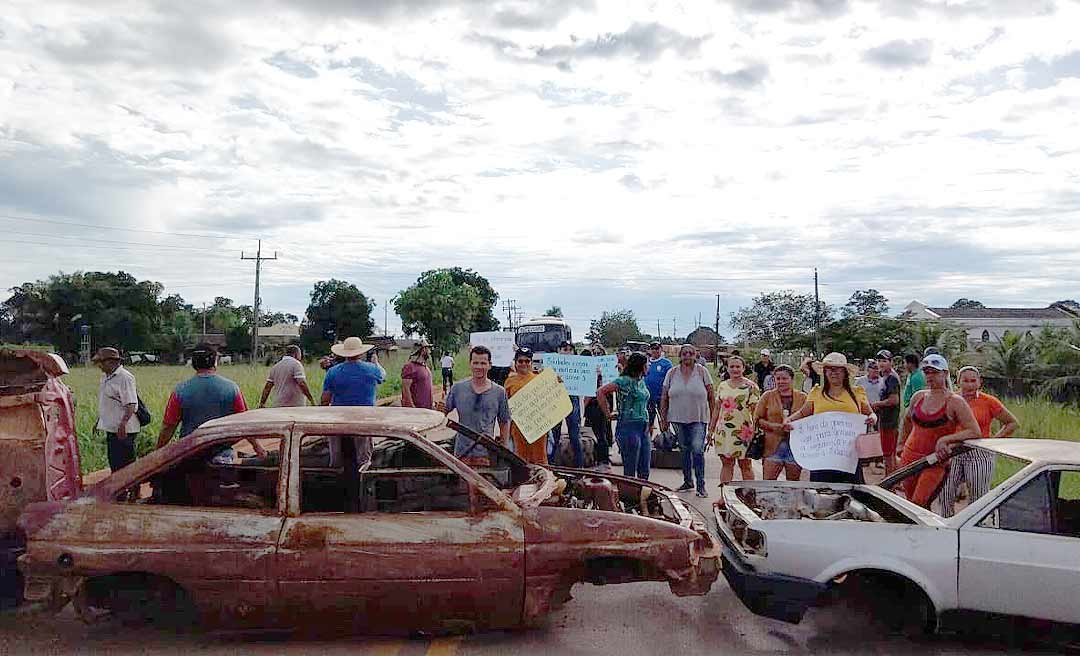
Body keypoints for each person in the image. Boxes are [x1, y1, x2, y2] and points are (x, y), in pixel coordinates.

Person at [897, 354, 981, 509]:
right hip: (909, 457)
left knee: (919, 504)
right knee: (908, 504)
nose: (930, 376)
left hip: (934, 461)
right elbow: (907, 419)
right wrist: (901, 443)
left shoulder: (955, 402)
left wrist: (946, 440)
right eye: (927, 372)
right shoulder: (919, 396)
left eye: (935, 372)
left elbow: (974, 431)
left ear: (945, 374)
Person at [784, 352, 875, 483]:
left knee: (851, 493)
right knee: (821, 491)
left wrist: (872, 418)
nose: (833, 373)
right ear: (825, 372)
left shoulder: (857, 393)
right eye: (829, 370)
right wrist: (789, 420)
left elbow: (871, 413)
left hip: (849, 456)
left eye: (837, 369)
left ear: (845, 372)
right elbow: (803, 413)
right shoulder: (816, 393)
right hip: (821, 456)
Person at [940, 366, 1020, 516]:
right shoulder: (952, 400)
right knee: (944, 493)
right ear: (958, 382)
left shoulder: (988, 401)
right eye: (965, 381)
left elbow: (1012, 423)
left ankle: (976, 527)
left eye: (973, 381)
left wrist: (993, 443)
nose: (969, 385)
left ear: (979, 383)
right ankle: (947, 526)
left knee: (978, 497)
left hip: (979, 452)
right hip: (954, 452)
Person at [157, 343, 251, 449]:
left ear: (193, 363)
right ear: (214, 363)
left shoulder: (180, 391)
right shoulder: (232, 389)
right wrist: (257, 448)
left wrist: (157, 452)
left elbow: (168, 427)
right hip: (222, 454)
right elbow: (245, 422)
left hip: (188, 453)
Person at [659, 344, 715, 497]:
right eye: (684, 353)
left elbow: (711, 396)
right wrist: (664, 419)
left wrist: (713, 419)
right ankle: (687, 481)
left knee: (697, 449)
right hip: (677, 418)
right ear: (680, 356)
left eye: (691, 353)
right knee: (684, 450)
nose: (687, 356)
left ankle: (701, 485)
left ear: (695, 355)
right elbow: (664, 397)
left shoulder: (702, 372)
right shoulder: (672, 373)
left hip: (698, 418)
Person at [443, 346, 511, 467]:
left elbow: (504, 421)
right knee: (464, 485)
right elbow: (443, 412)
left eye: (483, 363)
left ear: (490, 365)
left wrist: (504, 446)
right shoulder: (458, 389)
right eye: (475, 363)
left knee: (482, 485)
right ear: (470, 364)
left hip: (486, 453)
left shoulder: (499, 392)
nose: (479, 367)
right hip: (461, 453)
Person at [597, 352, 650, 480]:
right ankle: (630, 496)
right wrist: (608, 414)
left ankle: (642, 496)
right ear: (640, 366)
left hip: (643, 426)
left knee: (645, 467)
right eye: (646, 364)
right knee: (630, 469)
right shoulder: (624, 381)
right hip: (628, 426)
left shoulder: (641, 381)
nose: (648, 367)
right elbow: (600, 392)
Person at [710, 355, 760, 484]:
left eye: (738, 366)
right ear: (727, 368)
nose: (735, 369)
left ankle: (749, 495)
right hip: (724, 431)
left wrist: (756, 431)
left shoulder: (751, 387)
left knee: (745, 465)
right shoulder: (722, 386)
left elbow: (756, 412)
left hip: (744, 431)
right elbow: (716, 409)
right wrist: (711, 430)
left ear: (743, 368)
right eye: (732, 366)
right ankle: (724, 497)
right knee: (727, 464)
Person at [754, 364, 807, 481]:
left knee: (793, 486)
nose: (781, 382)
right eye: (778, 379)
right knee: (769, 484)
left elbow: (809, 418)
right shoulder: (767, 396)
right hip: (772, 447)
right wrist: (776, 427)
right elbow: (757, 419)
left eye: (784, 378)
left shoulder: (803, 397)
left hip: (795, 447)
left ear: (792, 379)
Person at [92, 347, 140, 472]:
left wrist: (123, 425)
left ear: (110, 362)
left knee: (126, 466)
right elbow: (107, 403)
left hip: (124, 430)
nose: (99, 366)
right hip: (112, 429)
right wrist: (99, 421)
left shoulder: (125, 377)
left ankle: (133, 491)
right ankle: (122, 491)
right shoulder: (106, 378)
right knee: (115, 464)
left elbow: (131, 404)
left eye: (101, 363)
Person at [503, 348, 548, 464]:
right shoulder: (509, 381)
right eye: (520, 361)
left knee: (539, 457)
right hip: (518, 427)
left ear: (531, 363)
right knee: (521, 458)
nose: (524, 364)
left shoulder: (540, 379)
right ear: (516, 363)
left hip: (538, 426)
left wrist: (557, 383)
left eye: (527, 361)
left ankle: (542, 479)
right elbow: (505, 405)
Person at [321, 337, 386, 407]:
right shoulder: (373, 369)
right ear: (361, 353)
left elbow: (325, 400)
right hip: (367, 414)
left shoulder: (332, 371)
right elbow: (383, 376)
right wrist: (376, 362)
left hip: (340, 414)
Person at [548, 340, 584, 467]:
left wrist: (596, 373)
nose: (567, 352)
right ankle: (551, 465)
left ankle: (579, 467)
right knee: (554, 435)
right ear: (559, 351)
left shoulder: (579, 365)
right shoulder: (552, 365)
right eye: (565, 349)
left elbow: (587, 379)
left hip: (572, 400)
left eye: (570, 349)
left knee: (575, 435)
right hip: (556, 400)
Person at [870, 349, 902, 474]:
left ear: (891, 362)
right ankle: (894, 479)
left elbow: (894, 400)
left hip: (890, 421)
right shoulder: (885, 377)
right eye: (879, 360)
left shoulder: (891, 378)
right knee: (890, 453)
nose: (881, 363)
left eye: (884, 360)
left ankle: (890, 482)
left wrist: (877, 404)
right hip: (885, 419)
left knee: (888, 454)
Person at [582, 349, 613, 471]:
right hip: (594, 407)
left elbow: (591, 392)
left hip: (596, 406)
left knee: (599, 433)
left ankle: (603, 460)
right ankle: (597, 458)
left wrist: (583, 406)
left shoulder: (595, 372)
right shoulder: (593, 370)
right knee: (595, 433)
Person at [644, 342, 672, 435]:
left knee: (663, 419)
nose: (655, 350)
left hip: (661, 397)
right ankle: (648, 442)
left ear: (661, 349)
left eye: (657, 348)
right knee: (649, 421)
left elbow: (670, 380)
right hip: (648, 397)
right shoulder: (646, 363)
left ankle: (665, 439)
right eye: (652, 348)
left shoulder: (666, 363)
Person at [400, 341, 434, 409]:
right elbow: (405, 390)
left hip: (427, 410)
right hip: (416, 411)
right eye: (428, 349)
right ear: (423, 350)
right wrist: (412, 408)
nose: (430, 352)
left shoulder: (426, 367)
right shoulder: (410, 367)